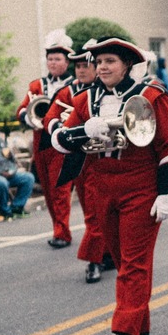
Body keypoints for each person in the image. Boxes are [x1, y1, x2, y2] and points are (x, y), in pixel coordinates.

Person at [50, 38, 168, 335]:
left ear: (126, 65)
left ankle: (125, 332)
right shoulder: (85, 99)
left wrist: (165, 194)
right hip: (100, 187)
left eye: (110, 61)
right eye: (100, 62)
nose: (103, 67)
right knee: (122, 260)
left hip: (141, 186)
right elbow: (59, 140)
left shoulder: (150, 96)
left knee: (133, 263)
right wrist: (84, 131)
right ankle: (140, 323)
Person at [43, 44, 114, 283]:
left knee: (102, 213)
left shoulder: (108, 92)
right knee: (91, 213)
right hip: (80, 159)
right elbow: (50, 117)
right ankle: (100, 257)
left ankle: (100, 257)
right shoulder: (69, 91)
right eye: (79, 66)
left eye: (87, 66)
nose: (82, 70)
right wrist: (62, 129)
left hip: (108, 160)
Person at [19, 31, 77, 249]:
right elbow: (22, 109)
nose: (52, 63)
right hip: (40, 142)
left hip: (62, 143)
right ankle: (58, 228)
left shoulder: (73, 85)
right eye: (50, 59)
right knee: (48, 189)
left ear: (66, 62)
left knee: (60, 189)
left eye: (57, 59)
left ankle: (62, 232)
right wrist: (29, 117)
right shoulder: (37, 85)